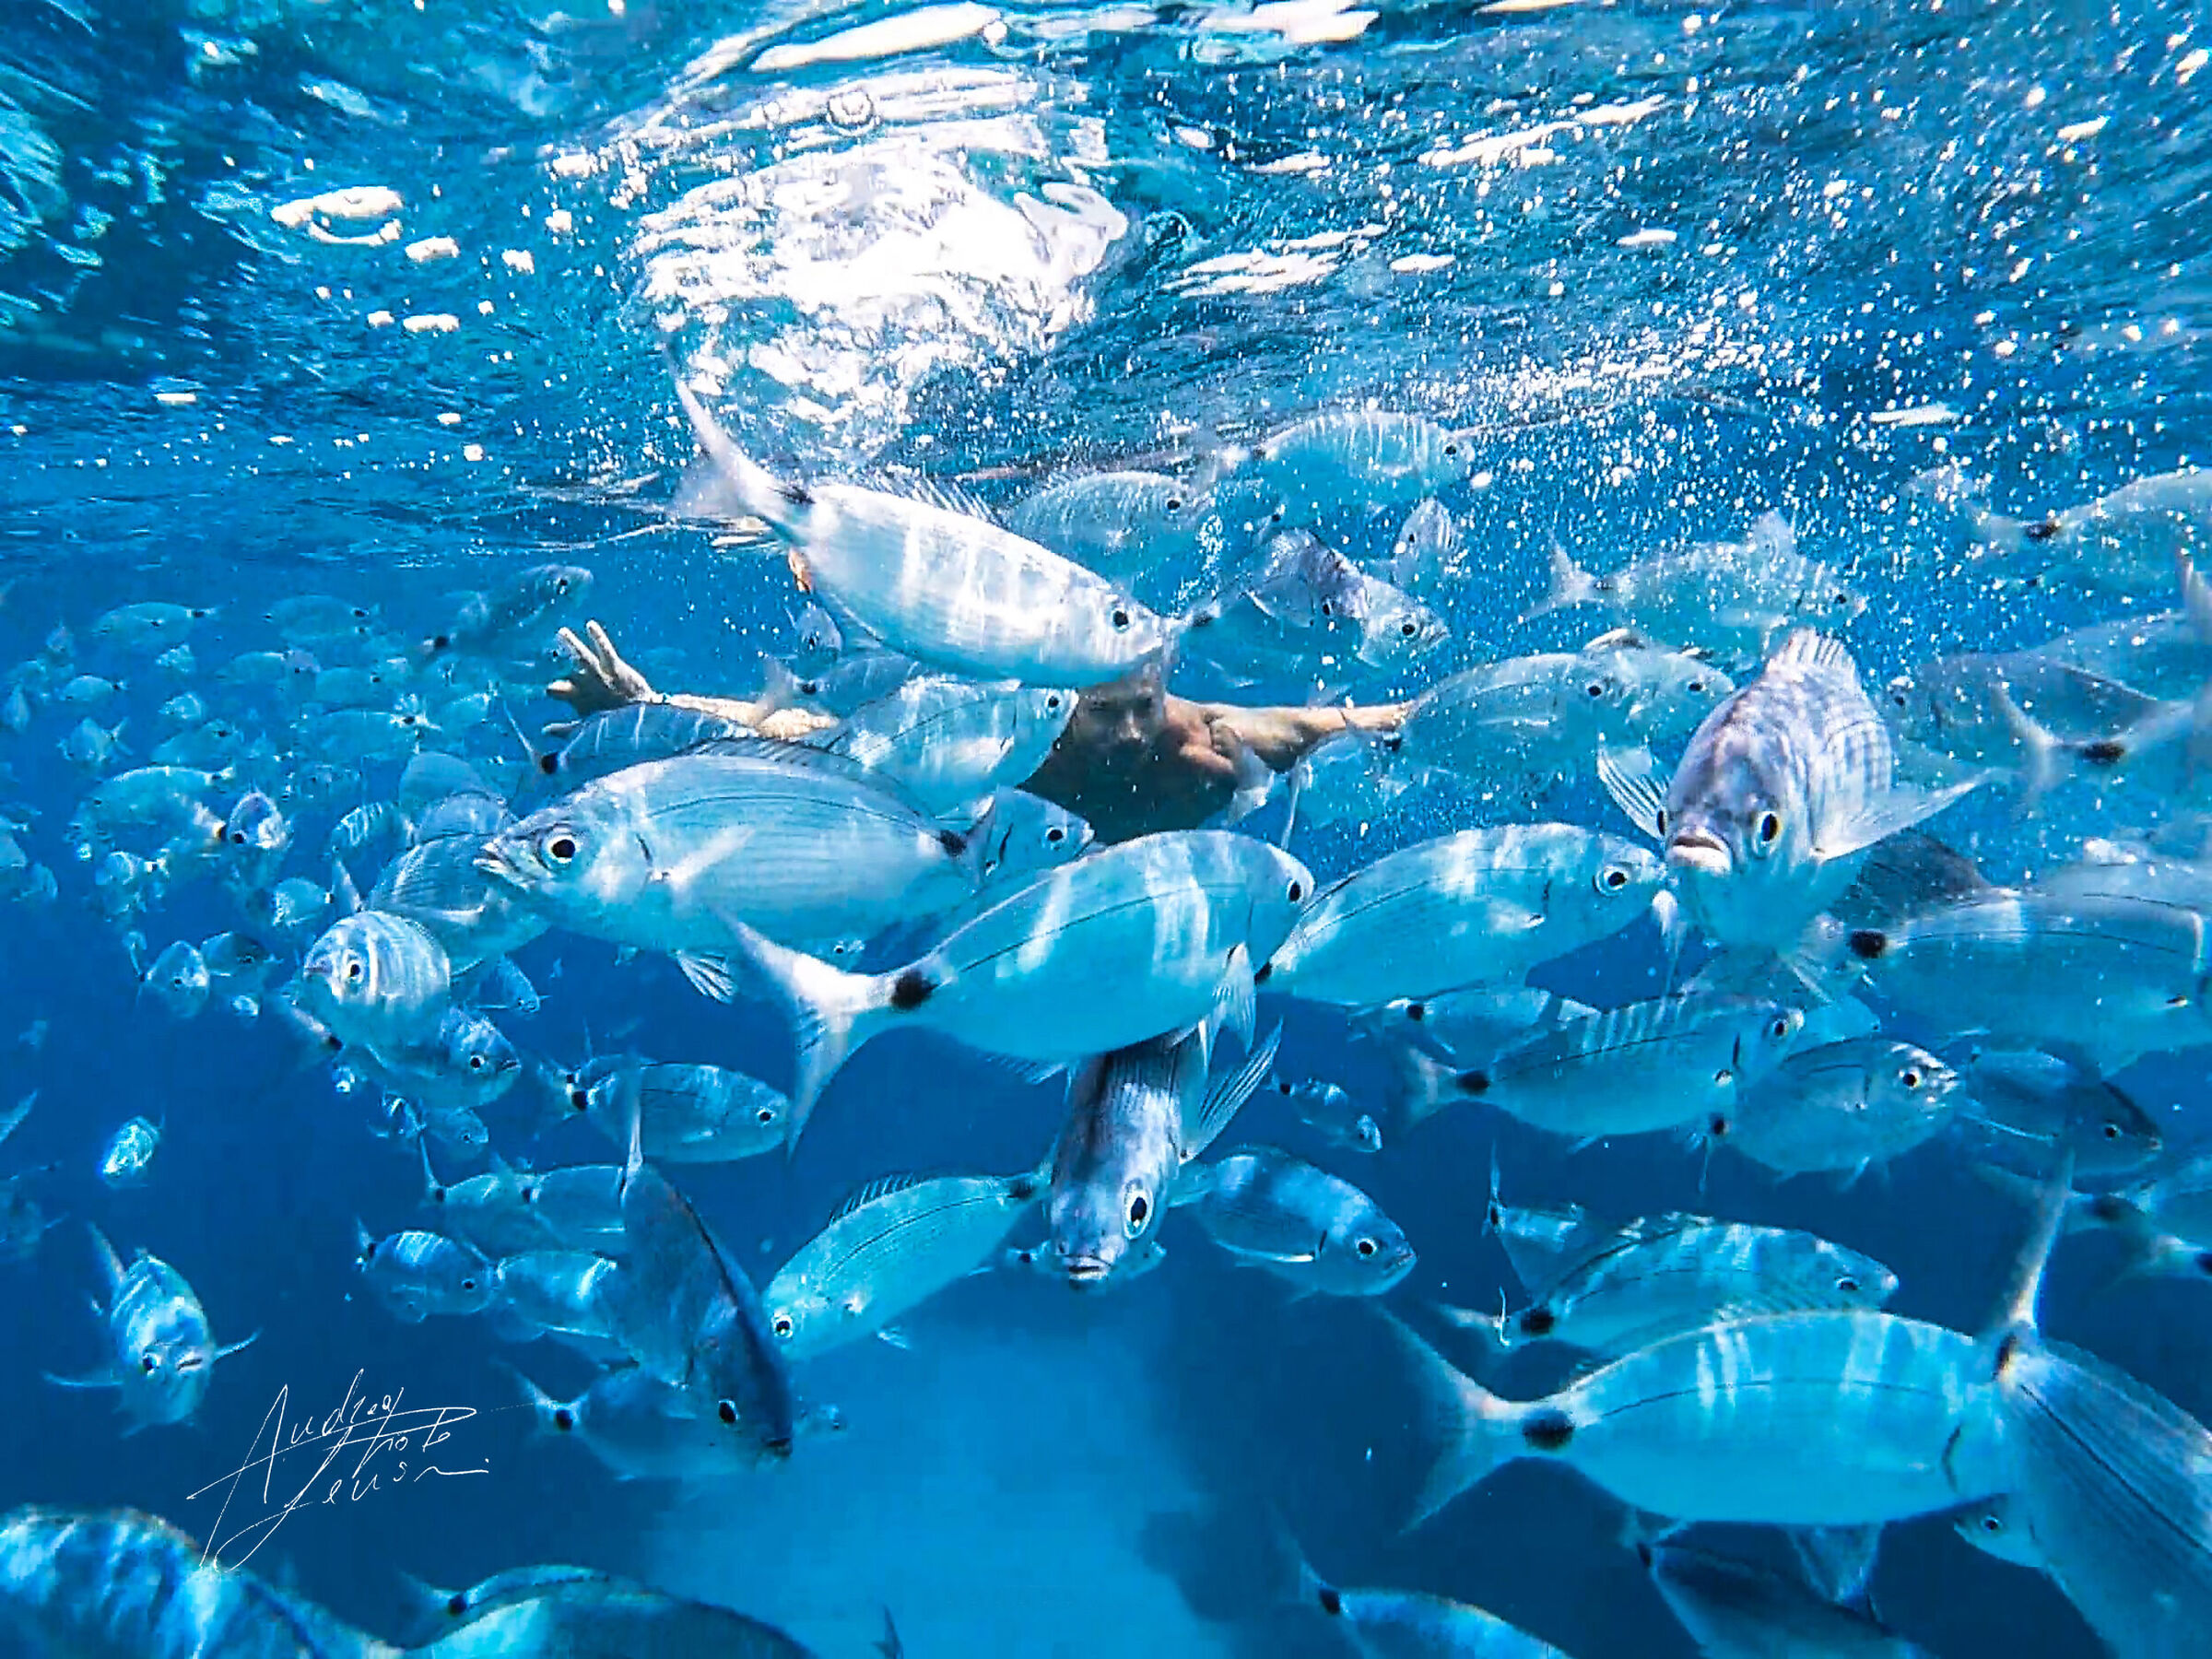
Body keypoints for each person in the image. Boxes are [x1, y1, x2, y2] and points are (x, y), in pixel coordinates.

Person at [545, 619, 1410, 843]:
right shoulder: (996, 741)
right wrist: (649, 711)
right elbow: (811, 736)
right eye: (1098, 712)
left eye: (1140, 710)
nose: (1123, 733)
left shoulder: (1208, 749)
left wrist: (1432, 720)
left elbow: (1339, 725)